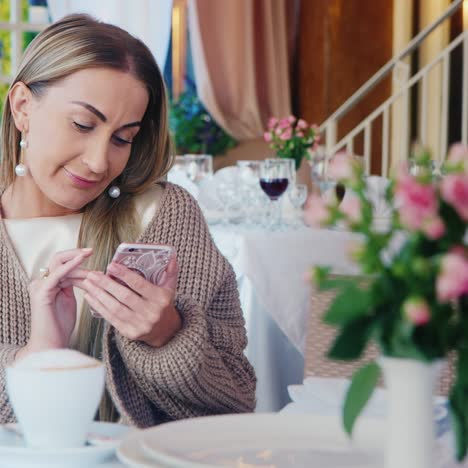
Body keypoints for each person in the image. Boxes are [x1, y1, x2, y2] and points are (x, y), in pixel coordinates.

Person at [0, 14, 256, 426]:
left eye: (124, 138)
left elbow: (236, 403)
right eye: (83, 124)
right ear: (23, 107)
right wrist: (38, 357)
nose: (100, 161)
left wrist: (167, 337)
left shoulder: (162, 218)